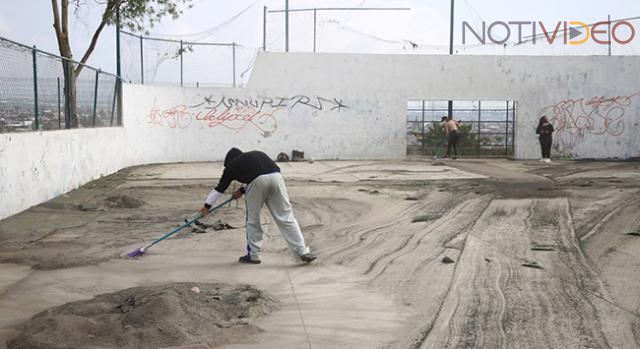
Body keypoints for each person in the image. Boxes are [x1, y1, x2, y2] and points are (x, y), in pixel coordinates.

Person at [199, 148, 316, 264]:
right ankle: (302, 251)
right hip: (276, 178)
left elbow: (220, 189)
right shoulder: (255, 155)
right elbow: (260, 174)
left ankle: (254, 255)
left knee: (252, 219)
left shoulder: (231, 166)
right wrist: (242, 190)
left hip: (257, 182)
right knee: (286, 217)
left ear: (229, 161)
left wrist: (206, 206)